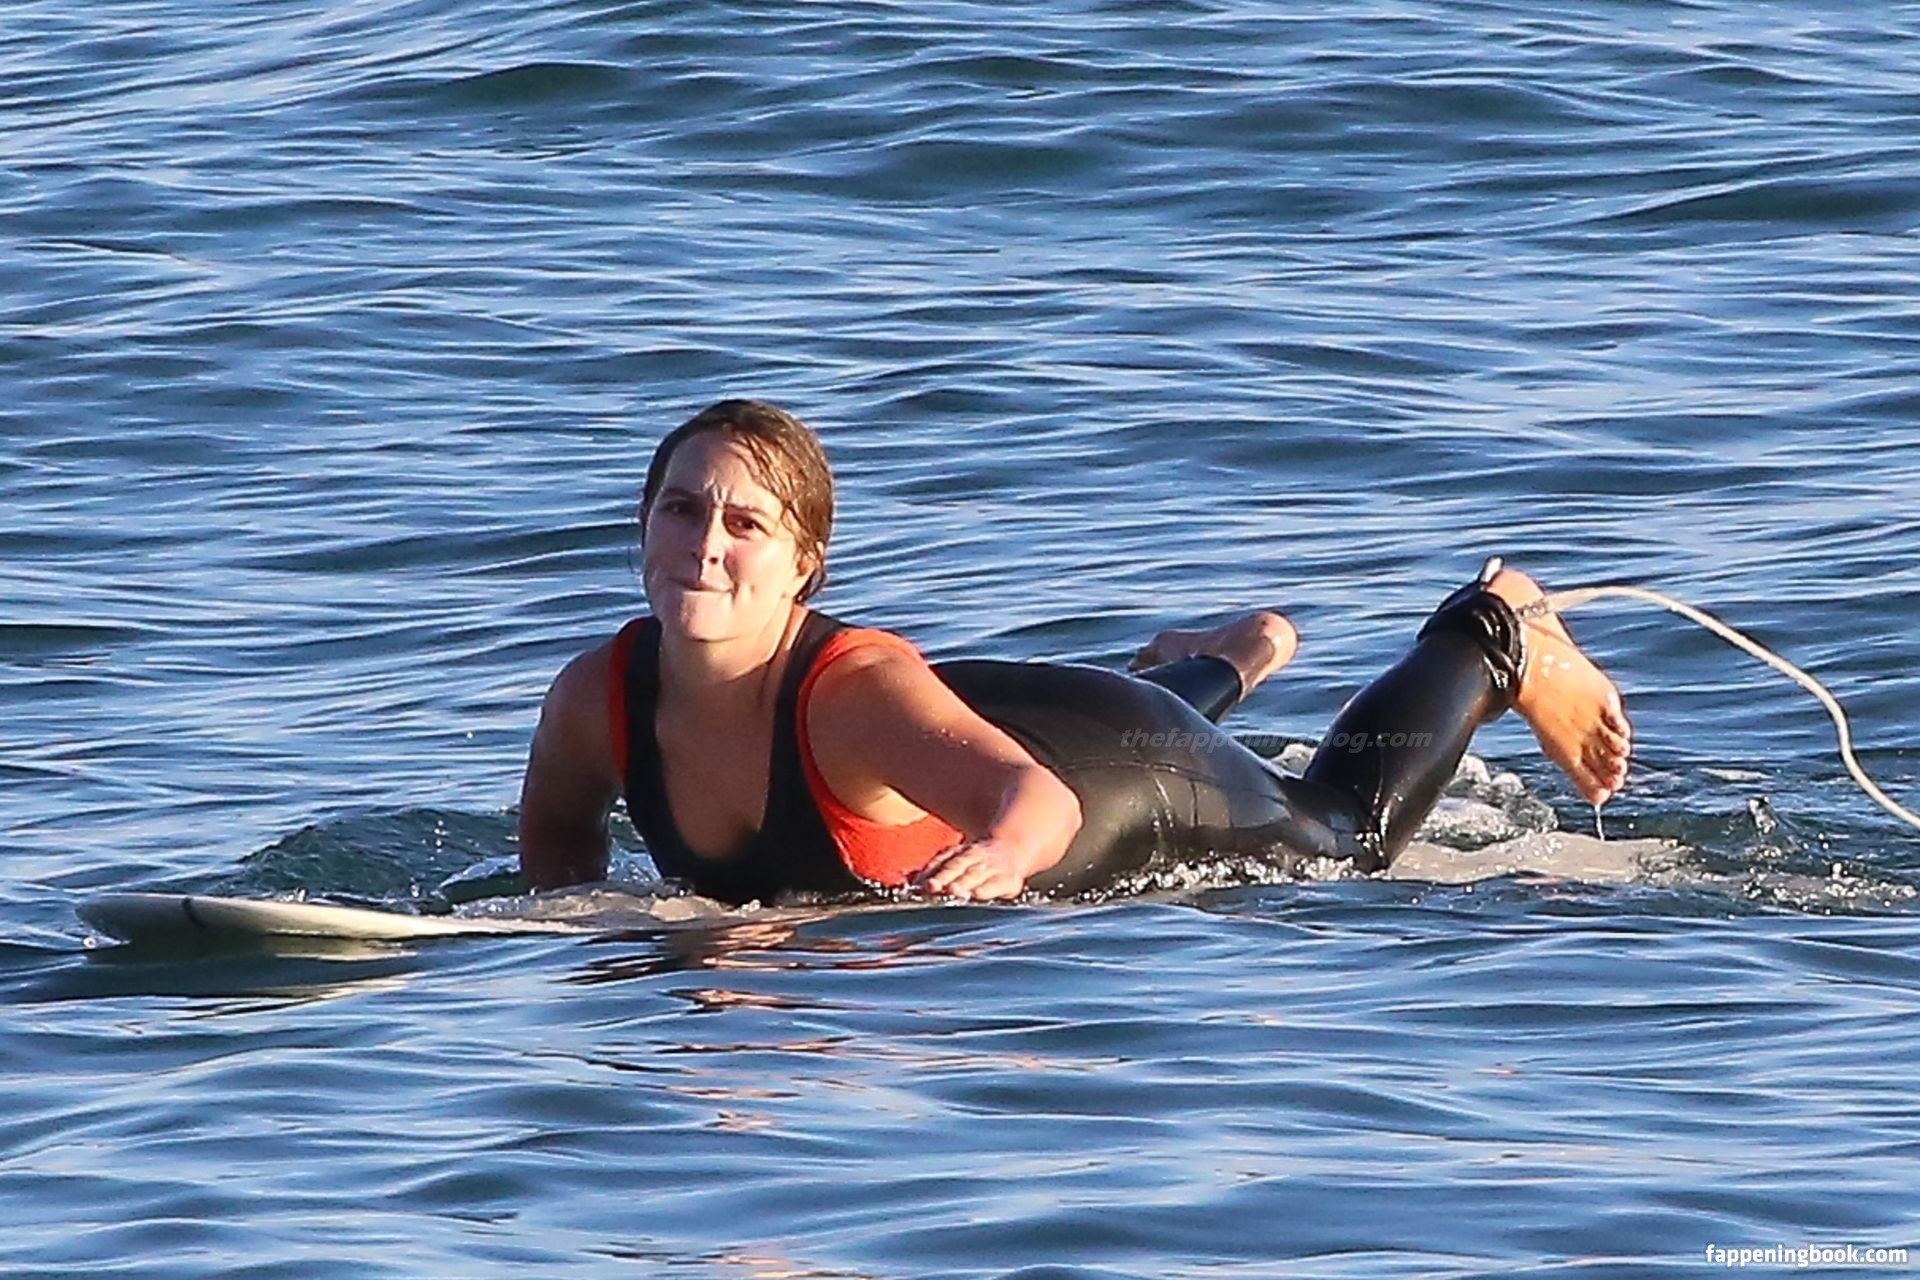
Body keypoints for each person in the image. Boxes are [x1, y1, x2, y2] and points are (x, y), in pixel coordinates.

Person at [517, 400, 1632, 904]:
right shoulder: (595, 697)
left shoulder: (849, 698)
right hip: (980, 714)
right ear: (642, 526)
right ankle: (1233, 654)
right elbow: (560, 838)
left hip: (1112, 769)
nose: (704, 545)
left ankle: (1494, 630)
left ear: (804, 564)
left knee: (1347, 835)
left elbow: (1035, 800)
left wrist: (1001, 857)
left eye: (744, 522)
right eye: (679, 510)